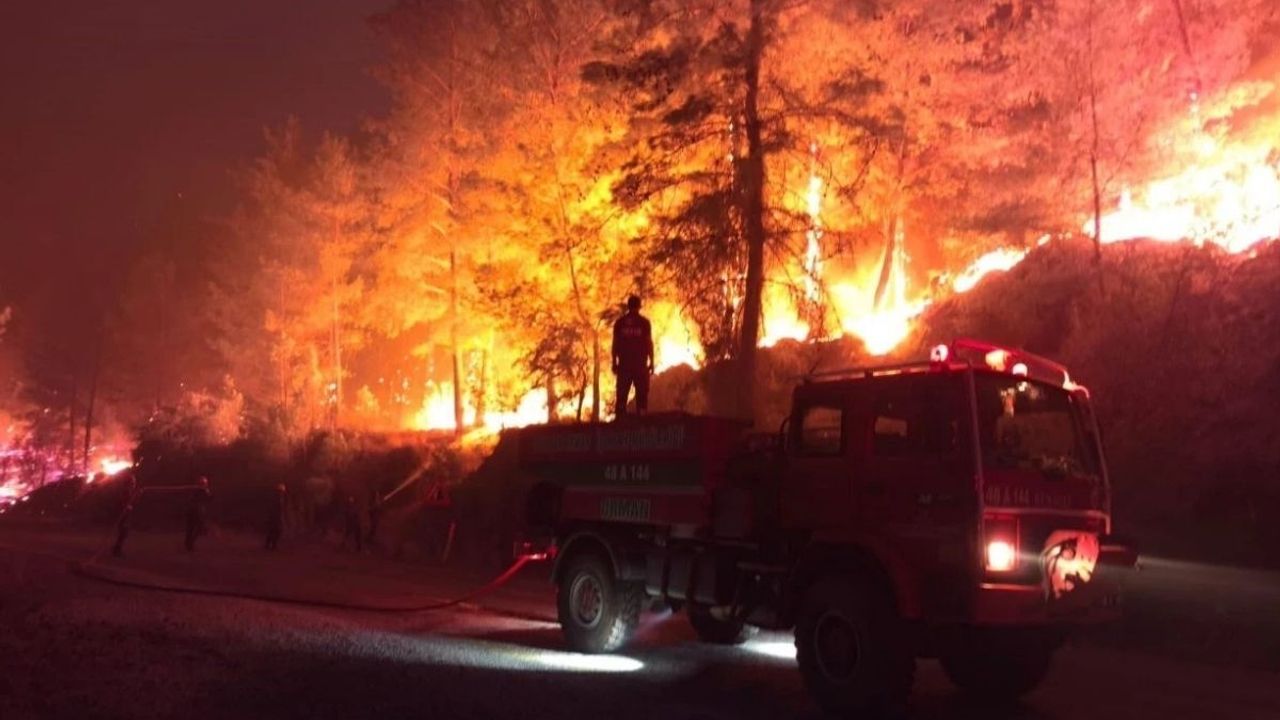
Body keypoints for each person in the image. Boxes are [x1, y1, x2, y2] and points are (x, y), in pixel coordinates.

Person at [612, 294, 654, 417]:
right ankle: (641, 424)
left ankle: (619, 425)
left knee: (621, 395)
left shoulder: (619, 323)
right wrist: (652, 362)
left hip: (624, 365)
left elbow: (615, 344)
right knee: (642, 396)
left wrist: (614, 362)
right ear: (639, 307)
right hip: (640, 365)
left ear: (628, 306)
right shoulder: (644, 323)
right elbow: (648, 343)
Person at [111, 475, 140, 558]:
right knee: (123, 532)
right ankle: (116, 550)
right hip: (122, 514)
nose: (134, 483)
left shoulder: (130, 491)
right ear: (129, 483)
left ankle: (117, 549)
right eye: (133, 482)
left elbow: (133, 502)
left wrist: (137, 495)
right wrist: (126, 506)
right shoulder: (126, 491)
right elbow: (123, 501)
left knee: (124, 532)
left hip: (126, 514)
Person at [185, 476, 212, 552]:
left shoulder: (196, 490)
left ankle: (188, 544)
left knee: (191, 528)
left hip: (191, 511)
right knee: (197, 528)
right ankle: (189, 544)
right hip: (196, 511)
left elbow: (209, 498)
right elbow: (210, 498)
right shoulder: (202, 491)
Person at [264, 483, 287, 551]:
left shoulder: (278, 498)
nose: (282, 493)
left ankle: (269, 545)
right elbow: (276, 509)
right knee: (276, 531)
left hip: (274, 517)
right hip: (274, 517)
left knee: (273, 531)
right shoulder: (277, 499)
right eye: (282, 491)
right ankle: (272, 545)